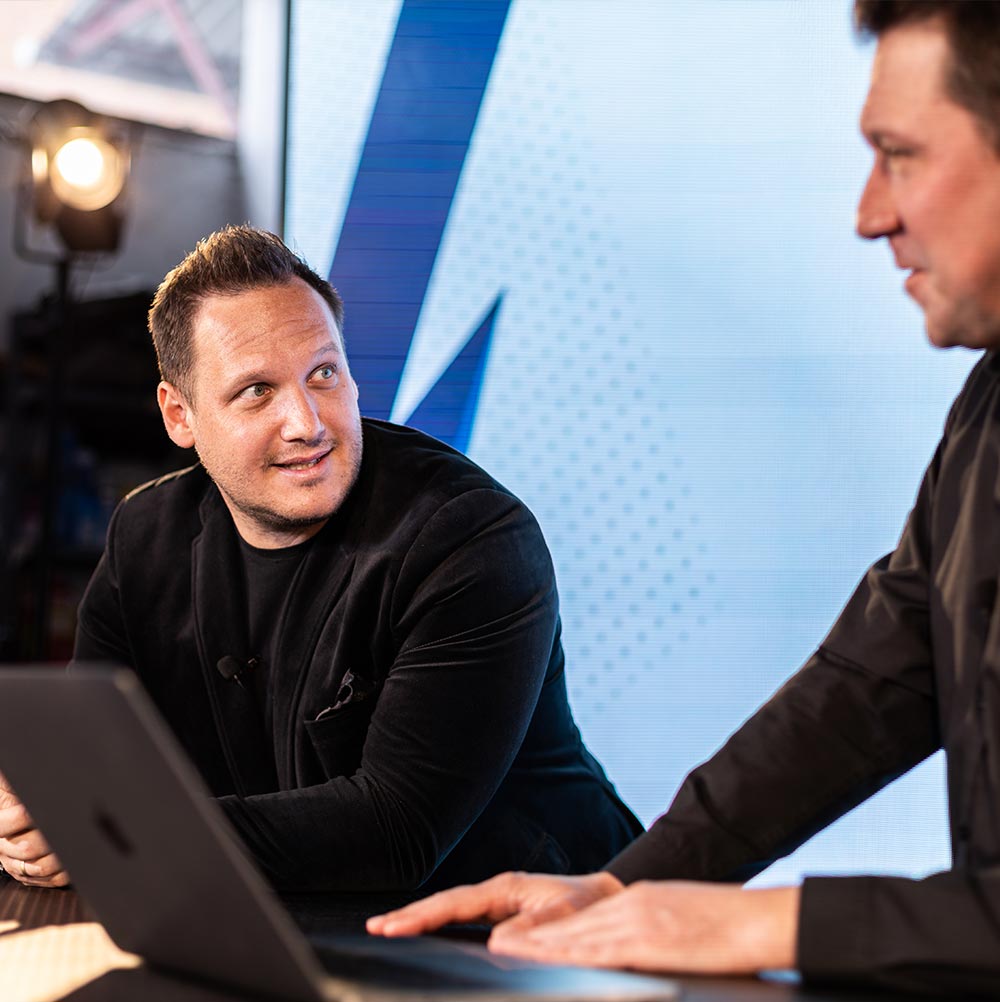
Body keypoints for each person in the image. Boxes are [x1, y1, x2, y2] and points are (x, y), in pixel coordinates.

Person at [368, 1, 1000, 993]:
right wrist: (628, 887)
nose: (869, 213)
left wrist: (767, 924)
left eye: (900, 155)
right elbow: (872, 680)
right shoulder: (987, 410)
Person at [0, 225, 642, 894]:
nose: (307, 423)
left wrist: (114, 830)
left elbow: (394, 831)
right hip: (294, 919)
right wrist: (32, 807)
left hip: (549, 928)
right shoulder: (144, 537)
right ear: (180, 415)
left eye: (324, 374)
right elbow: (90, 764)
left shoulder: (473, 538)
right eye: (257, 391)